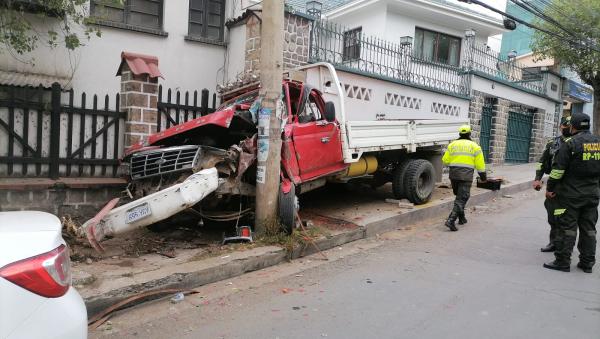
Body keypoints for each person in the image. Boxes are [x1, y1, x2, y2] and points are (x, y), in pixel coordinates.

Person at [543, 113, 600, 273]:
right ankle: (587, 263)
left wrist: (550, 188)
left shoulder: (570, 144)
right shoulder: (598, 143)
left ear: (572, 126)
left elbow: (557, 171)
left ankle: (562, 261)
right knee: (589, 228)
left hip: (570, 195)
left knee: (566, 227)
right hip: (592, 194)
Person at [533, 116, 571, 252]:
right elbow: (542, 162)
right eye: (565, 126)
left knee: (567, 219)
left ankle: (565, 248)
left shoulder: (577, 143)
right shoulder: (553, 143)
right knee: (553, 216)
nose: (567, 128)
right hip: (556, 186)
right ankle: (554, 242)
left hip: (572, 187)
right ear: (560, 126)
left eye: (570, 126)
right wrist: (538, 178)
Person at [442, 125, 487, 231]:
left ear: (459, 134)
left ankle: (462, 218)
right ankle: (451, 220)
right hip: (466, 176)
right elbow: (480, 165)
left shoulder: (452, 145)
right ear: (469, 133)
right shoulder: (475, 146)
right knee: (462, 198)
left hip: (453, 175)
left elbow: (445, 161)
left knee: (459, 196)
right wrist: (483, 177)